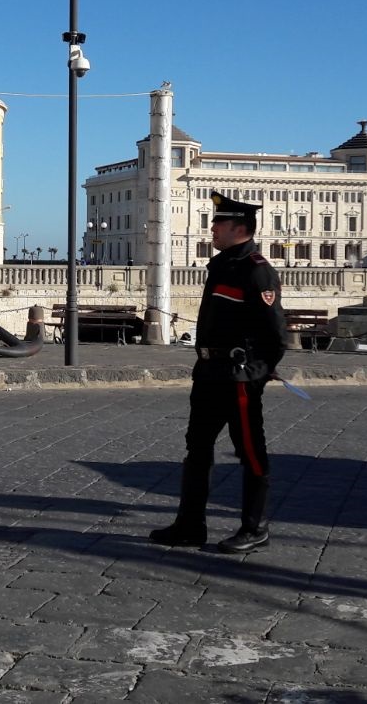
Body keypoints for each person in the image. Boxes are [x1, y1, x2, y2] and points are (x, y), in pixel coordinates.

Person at [150, 191, 289, 554]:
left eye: (218, 222)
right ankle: (190, 525)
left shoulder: (257, 271)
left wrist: (257, 373)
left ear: (239, 227)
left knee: (250, 452)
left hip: (237, 377)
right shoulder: (221, 265)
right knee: (197, 449)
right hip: (209, 372)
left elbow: (276, 334)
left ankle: (255, 527)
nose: (212, 228)